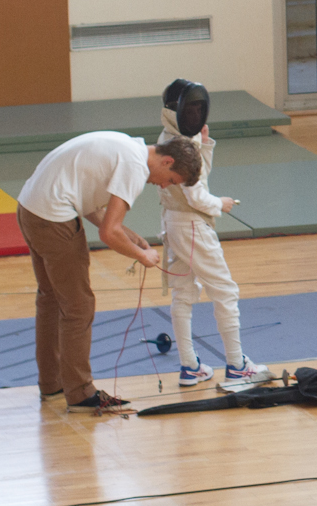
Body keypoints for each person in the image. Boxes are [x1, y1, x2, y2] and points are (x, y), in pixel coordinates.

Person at [16, 131, 201, 411]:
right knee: (78, 307)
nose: (164, 186)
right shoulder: (135, 167)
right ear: (167, 161)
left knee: (51, 298)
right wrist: (142, 255)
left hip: (30, 209)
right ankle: (80, 394)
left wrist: (127, 234)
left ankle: (52, 384)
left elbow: (87, 202)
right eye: (171, 180)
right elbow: (108, 233)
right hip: (53, 219)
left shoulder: (127, 146)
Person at [157, 91, 273, 391]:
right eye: (192, 110)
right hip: (192, 226)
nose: (196, 115)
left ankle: (190, 367)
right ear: (179, 111)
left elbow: (197, 176)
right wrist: (219, 203)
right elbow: (196, 196)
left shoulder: (167, 137)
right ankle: (237, 367)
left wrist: (204, 144)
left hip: (172, 225)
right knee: (224, 291)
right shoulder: (182, 144)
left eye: (198, 109)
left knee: (183, 293)